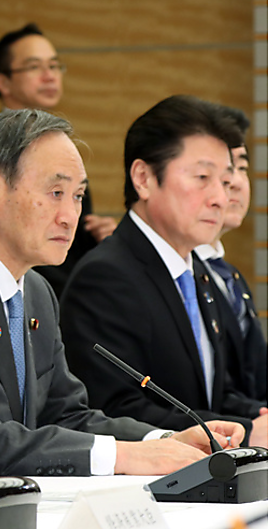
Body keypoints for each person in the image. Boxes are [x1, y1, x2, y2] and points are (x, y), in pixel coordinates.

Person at [0, 108, 244, 481]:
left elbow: (66, 415)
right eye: (55, 193)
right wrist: (125, 457)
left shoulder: (36, 290)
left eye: (78, 196)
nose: (70, 216)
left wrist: (163, 440)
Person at [59, 95, 269, 446]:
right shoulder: (105, 277)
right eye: (202, 177)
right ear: (143, 178)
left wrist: (258, 418)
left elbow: (214, 395)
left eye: (224, 181)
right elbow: (114, 409)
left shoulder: (199, 272)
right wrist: (244, 430)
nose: (220, 198)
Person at [0, 23, 116, 295]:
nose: (49, 76)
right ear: (3, 82)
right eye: (35, 67)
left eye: (54, 65)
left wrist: (97, 240)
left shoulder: (57, 142)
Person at [195, 108, 268, 402]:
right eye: (224, 172)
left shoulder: (230, 275)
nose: (235, 182)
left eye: (242, 168)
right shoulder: (181, 275)